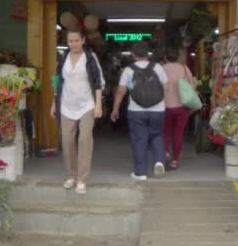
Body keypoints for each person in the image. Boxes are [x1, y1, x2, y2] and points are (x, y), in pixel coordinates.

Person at [51, 28, 105, 194]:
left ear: (83, 40)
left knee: (84, 140)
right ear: (67, 43)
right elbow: (57, 82)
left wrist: (98, 105)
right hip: (67, 105)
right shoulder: (63, 58)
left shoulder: (90, 57)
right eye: (70, 41)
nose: (73, 43)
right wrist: (53, 104)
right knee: (67, 141)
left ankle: (82, 179)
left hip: (87, 105)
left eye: (76, 40)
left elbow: (98, 81)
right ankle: (71, 176)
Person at [111, 41, 167, 180]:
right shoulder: (158, 67)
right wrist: (162, 102)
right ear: (148, 54)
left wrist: (115, 108)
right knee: (157, 135)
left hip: (136, 110)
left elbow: (122, 91)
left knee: (139, 140)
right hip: (158, 109)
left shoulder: (128, 70)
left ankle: (140, 173)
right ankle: (159, 161)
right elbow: (166, 87)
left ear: (133, 55)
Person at [162, 47, 195, 170]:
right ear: (177, 57)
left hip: (165, 106)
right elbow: (192, 86)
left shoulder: (161, 69)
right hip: (182, 106)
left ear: (165, 58)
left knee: (165, 132)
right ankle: (175, 161)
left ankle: (165, 153)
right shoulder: (184, 68)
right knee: (178, 134)